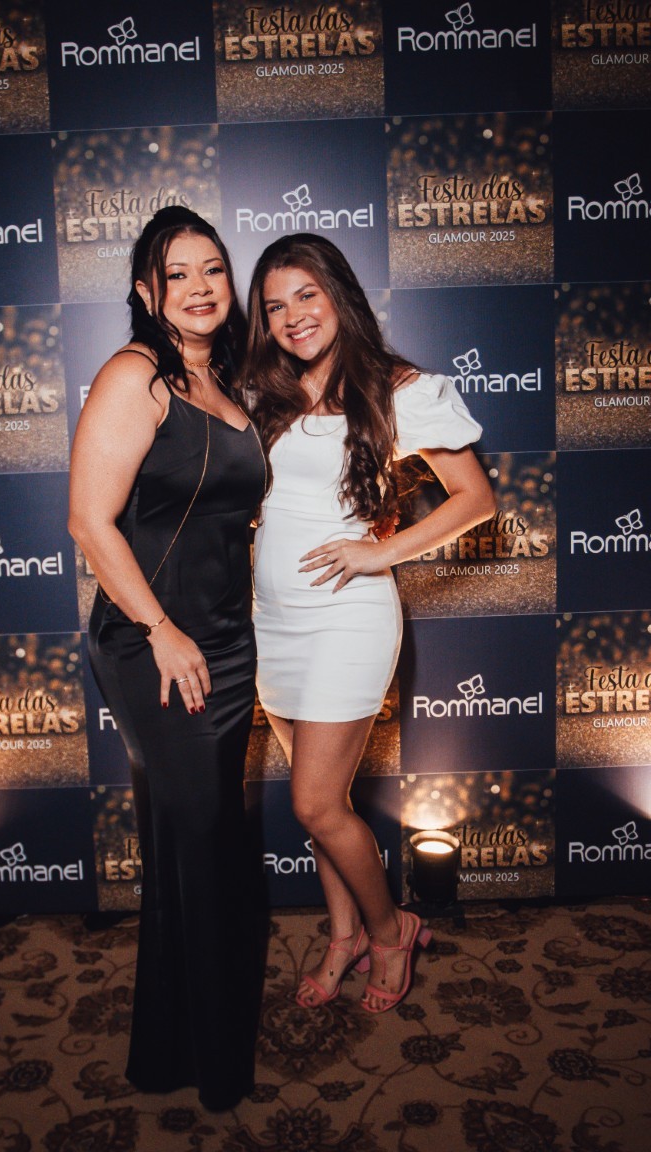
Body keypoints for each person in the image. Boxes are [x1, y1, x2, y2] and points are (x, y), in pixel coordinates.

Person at [238, 234, 495, 1014]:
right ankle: (343, 935)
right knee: (323, 807)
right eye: (275, 306)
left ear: (338, 294)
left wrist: (378, 551)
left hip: (346, 619)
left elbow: (476, 500)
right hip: (273, 621)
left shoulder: (397, 388)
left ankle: (390, 930)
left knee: (316, 804)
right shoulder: (267, 391)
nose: (292, 316)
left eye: (306, 295)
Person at [68, 207, 267, 1110]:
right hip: (156, 644)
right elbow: (88, 521)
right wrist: (160, 628)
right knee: (204, 846)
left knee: (200, 846)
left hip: (224, 640)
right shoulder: (136, 375)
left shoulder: (226, 380)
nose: (199, 287)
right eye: (177, 273)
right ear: (147, 292)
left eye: (213, 269)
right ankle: (213, 1065)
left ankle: (170, 1049)